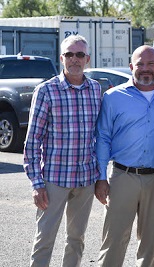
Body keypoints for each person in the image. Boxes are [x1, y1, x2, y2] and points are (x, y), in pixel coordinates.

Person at [23, 34, 102, 266]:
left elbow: (99, 135)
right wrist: (36, 183)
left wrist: (100, 176)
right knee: (45, 239)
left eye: (79, 55)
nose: (74, 59)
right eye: (69, 54)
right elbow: (32, 141)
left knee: (76, 239)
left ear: (87, 59)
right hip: (54, 181)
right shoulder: (46, 91)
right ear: (61, 58)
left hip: (86, 179)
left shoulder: (96, 89)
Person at [95, 45, 154, 267]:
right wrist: (101, 177)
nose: (145, 69)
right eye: (140, 64)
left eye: (151, 64)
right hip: (123, 177)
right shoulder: (113, 97)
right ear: (131, 66)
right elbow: (102, 138)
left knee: (152, 242)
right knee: (113, 240)